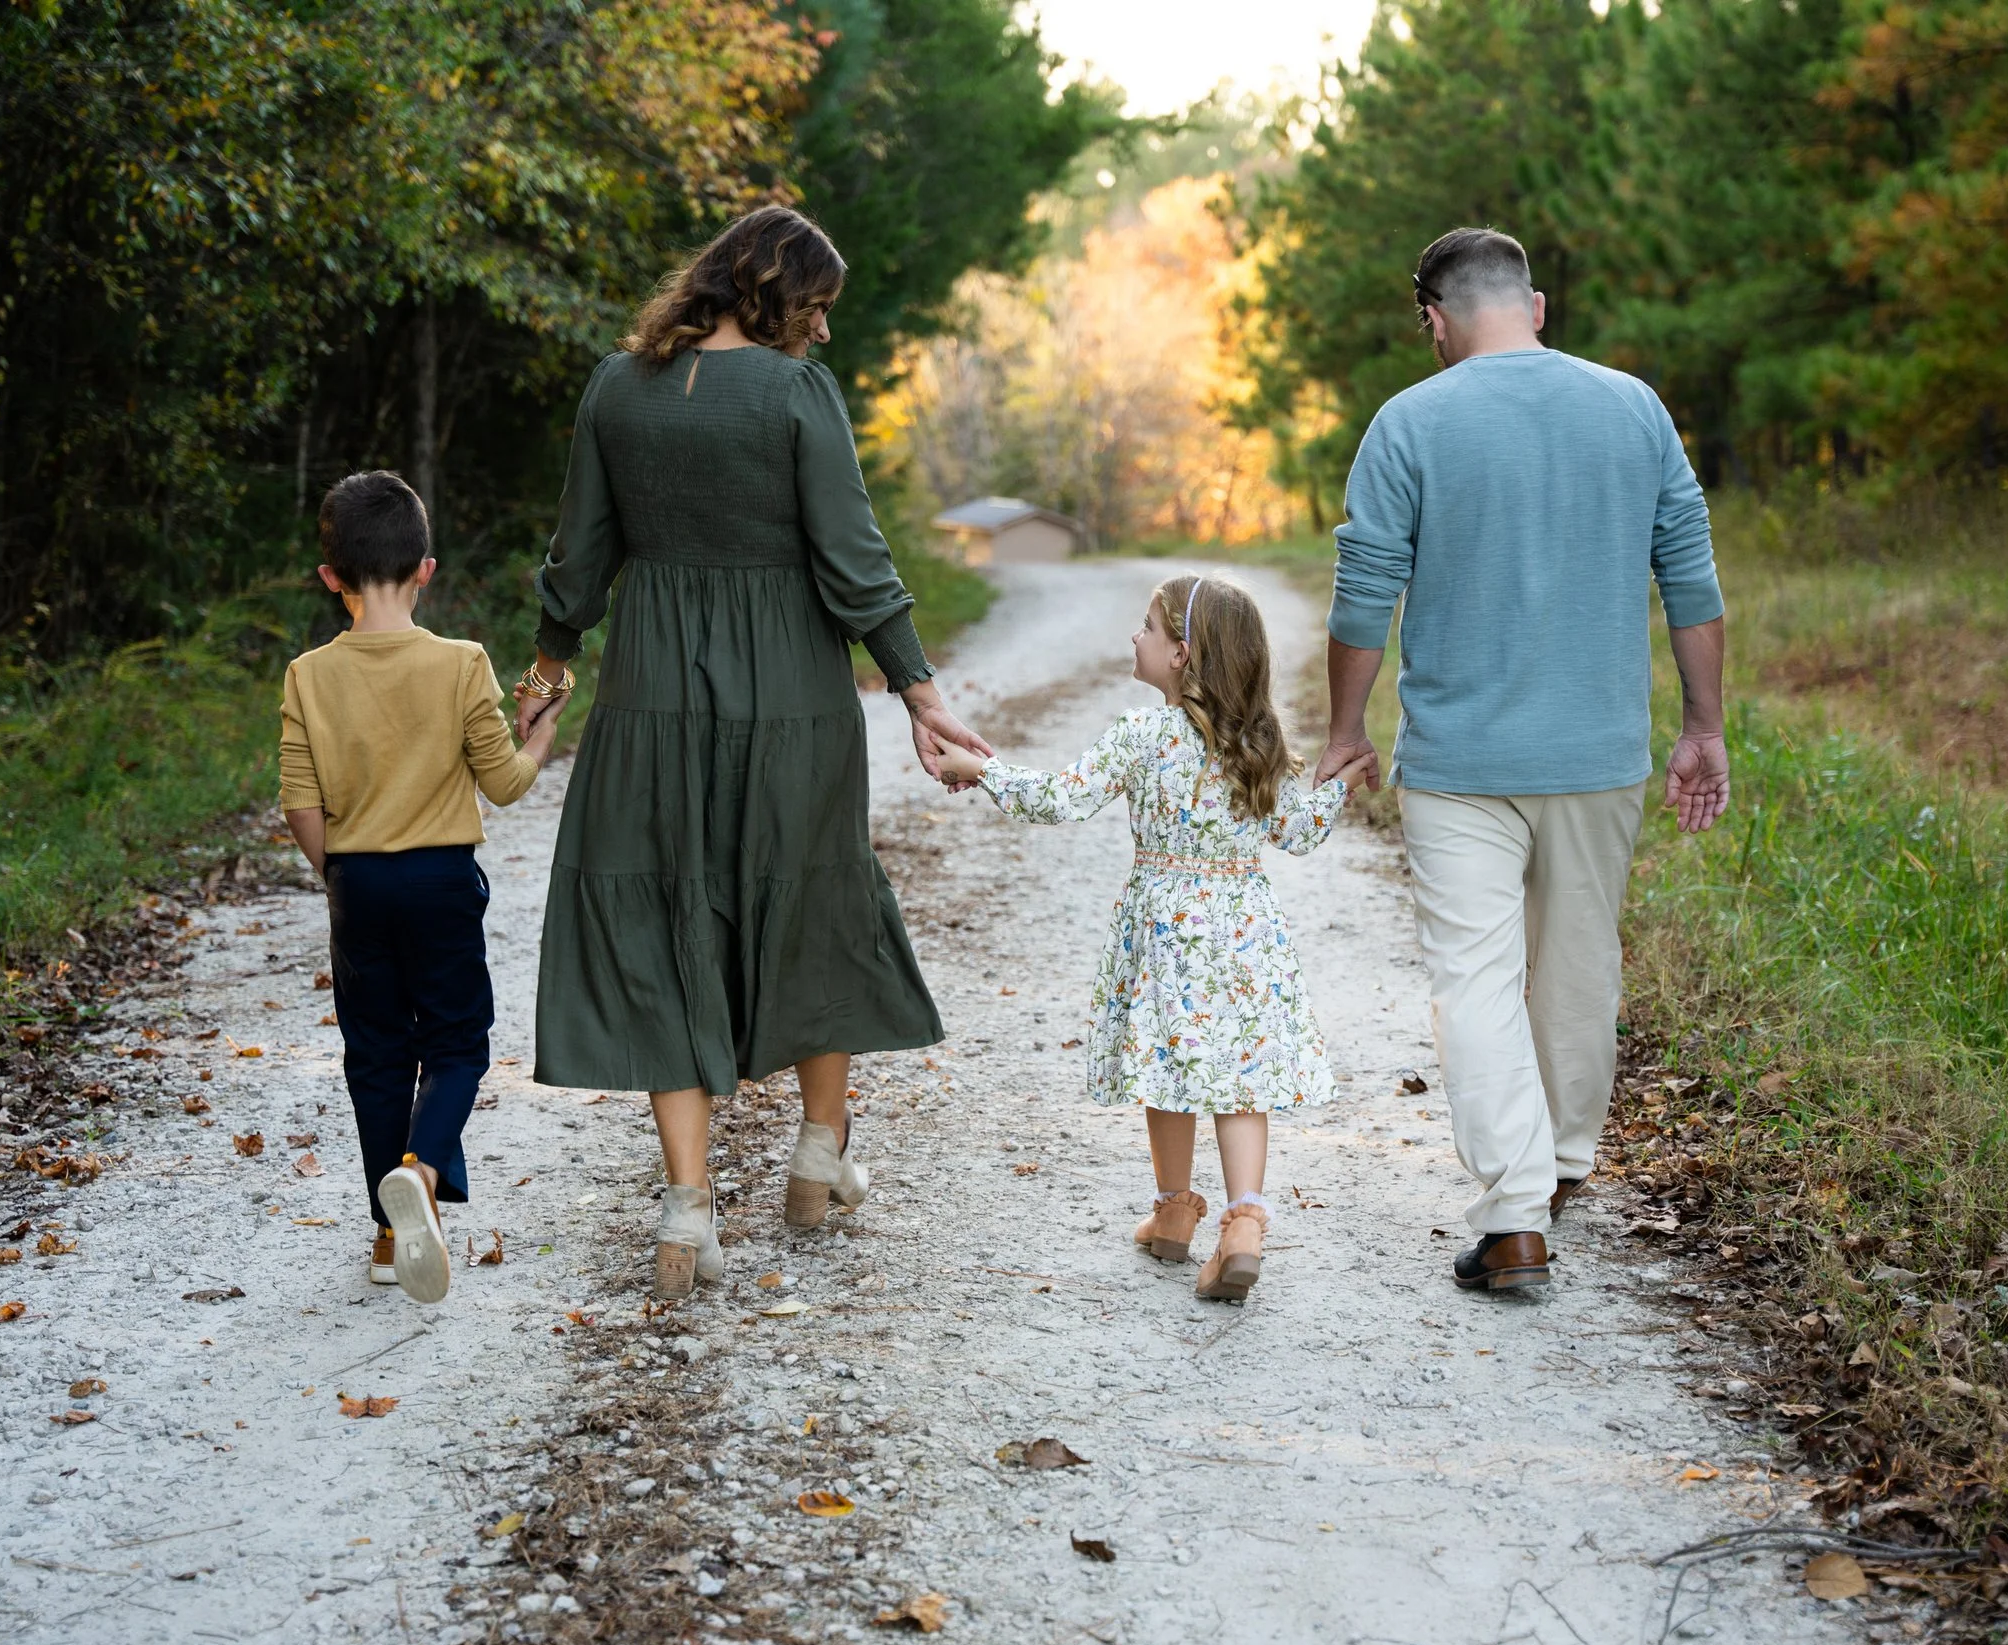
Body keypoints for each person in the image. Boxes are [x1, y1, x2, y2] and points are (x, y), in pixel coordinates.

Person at [514, 206, 988, 1302]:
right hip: (789, 693)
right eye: (815, 310)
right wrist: (918, 690)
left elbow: (575, 561)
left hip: (650, 695)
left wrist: (544, 674)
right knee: (814, 901)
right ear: (777, 299)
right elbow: (854, 558)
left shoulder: (612, 386)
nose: (822, 335)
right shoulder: (793, 396)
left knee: (662, 917)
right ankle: (817, 1149)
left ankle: (687, 1207)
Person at [1316, 227, 1731, 1294]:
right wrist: (1702, 726)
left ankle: (1512, 1216)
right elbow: (1688, 577)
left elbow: (1365, 593)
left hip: (1460, 762)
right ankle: (1560, 1164)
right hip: (1597, 754)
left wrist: (1344, 729)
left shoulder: (1408, 420)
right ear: (1534, 306)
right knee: (1579, 963)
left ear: (1435, 320)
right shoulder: (1633, 408)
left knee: (1476, 978)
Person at [934, 575, 1374, 1302]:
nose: (1133, 638)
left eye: (1146, 627)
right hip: (1243, 934)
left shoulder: (1142, 736)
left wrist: (982, 769)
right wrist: (1339, 786)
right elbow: (1295, 832)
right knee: (1239, 1077)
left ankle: (1175, 1209)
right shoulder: (1253, 741)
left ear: (1182, 653)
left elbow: (1063, 798)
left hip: (1166, 932)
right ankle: (1242, 1222)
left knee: (1169, 1066)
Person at [278, 470, 566, 1303]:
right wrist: (539, 733)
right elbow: (506, 783)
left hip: (356, 881)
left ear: (331, 578)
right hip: (440, 878)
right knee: (455, 1043)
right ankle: (423, 1168)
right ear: (425, 569)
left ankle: (387, 1229)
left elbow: (301, 802)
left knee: (375, 1053)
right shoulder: (462, 663)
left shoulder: (308, 675)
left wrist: (340, 873)